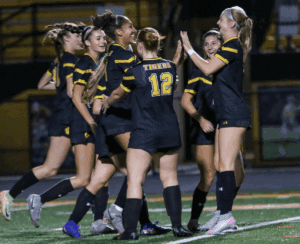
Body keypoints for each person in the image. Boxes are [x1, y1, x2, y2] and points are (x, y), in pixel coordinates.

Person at [61, 11, 172, 239]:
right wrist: (171, 65)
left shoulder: (115, 52)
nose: (134, 30)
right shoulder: (122, 54)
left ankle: (72, 222)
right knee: (140, 168)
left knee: (101, 178)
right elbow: (143, 74)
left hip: (109, 122)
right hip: (119, 122)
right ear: (119, 31)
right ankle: (118, 211)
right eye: (130, 26)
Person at [102, 27, 193, 240]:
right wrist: (178, 55)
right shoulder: (170, 67)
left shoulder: (135, 70)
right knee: (170, 178)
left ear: (139, 46)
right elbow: (170, 66)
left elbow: (118, 93)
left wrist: (107, 101)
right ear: (157, 45)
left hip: (145, 131)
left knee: (135, 180)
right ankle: (178, 227)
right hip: (169, 129)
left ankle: (131, 230)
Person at [0, 22, 83, 222]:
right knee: (78, 172)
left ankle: (11, 195)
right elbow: (73, 92)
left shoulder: (60, 60)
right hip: (69, 118)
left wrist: (61, 88)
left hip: (65, 116)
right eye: (76, 35)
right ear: (66, 40)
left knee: (65, 171)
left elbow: (41, 84)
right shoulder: (70, 59)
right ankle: (12, 195)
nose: (80, 39)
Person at [180, 6, 252, 235]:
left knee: (225, 166)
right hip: (225, 114)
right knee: (221, 164)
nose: (218, 22)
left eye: (222, 18)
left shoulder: (232, 44)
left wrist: (190, 49)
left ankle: (227, 217)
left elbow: (208, 67)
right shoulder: (230, 45)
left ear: (232, 24)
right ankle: (222, 214)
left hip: (233, 113)